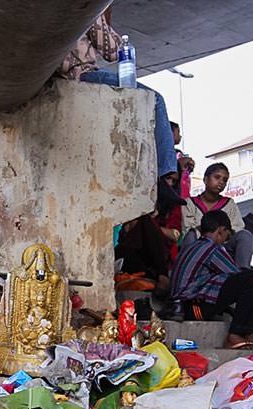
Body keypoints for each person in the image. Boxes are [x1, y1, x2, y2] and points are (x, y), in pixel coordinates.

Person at [58, 9, 177, 178]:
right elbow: (113, 51)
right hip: (82, 74)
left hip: (57, 79)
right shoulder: (86, 6)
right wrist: (103, 14)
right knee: (155, 100)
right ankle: (166, 173)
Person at [170, 210, 253, 350]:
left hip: (182, 305)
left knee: (242, 285)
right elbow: (235, 274)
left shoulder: (192, 247)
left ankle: (248, 334)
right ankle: (235, 335)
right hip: (193, 306)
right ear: (221, 231)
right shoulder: (211, 248)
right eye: (226, 236)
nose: (225, 241)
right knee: (251, 278)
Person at [116, 172, 186, 297]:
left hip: (152, 264)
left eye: (174, 180)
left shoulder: (154, 220)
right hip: (131, 262)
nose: (170, 183)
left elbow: (175, 235)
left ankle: (163, 275)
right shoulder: (135, 216)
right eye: (168, 178)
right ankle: (163, 275)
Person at [181, 163, 253, 268]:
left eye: (224, 180)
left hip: (224, 249)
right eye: (217, 177)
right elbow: (188, 230)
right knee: (190, 235)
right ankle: (187, 271)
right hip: (198, 249)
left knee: (245, 235)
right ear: (205, 179)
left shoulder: (229, 204)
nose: (221, 182)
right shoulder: (190, 203)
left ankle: (242, 273)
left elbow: (237, 228)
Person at [170, 121, 195, 199]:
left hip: (184, 193)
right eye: (178, 132)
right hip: (175, 193)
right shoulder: (165, 154)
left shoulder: (179, 153)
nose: (180, 136)